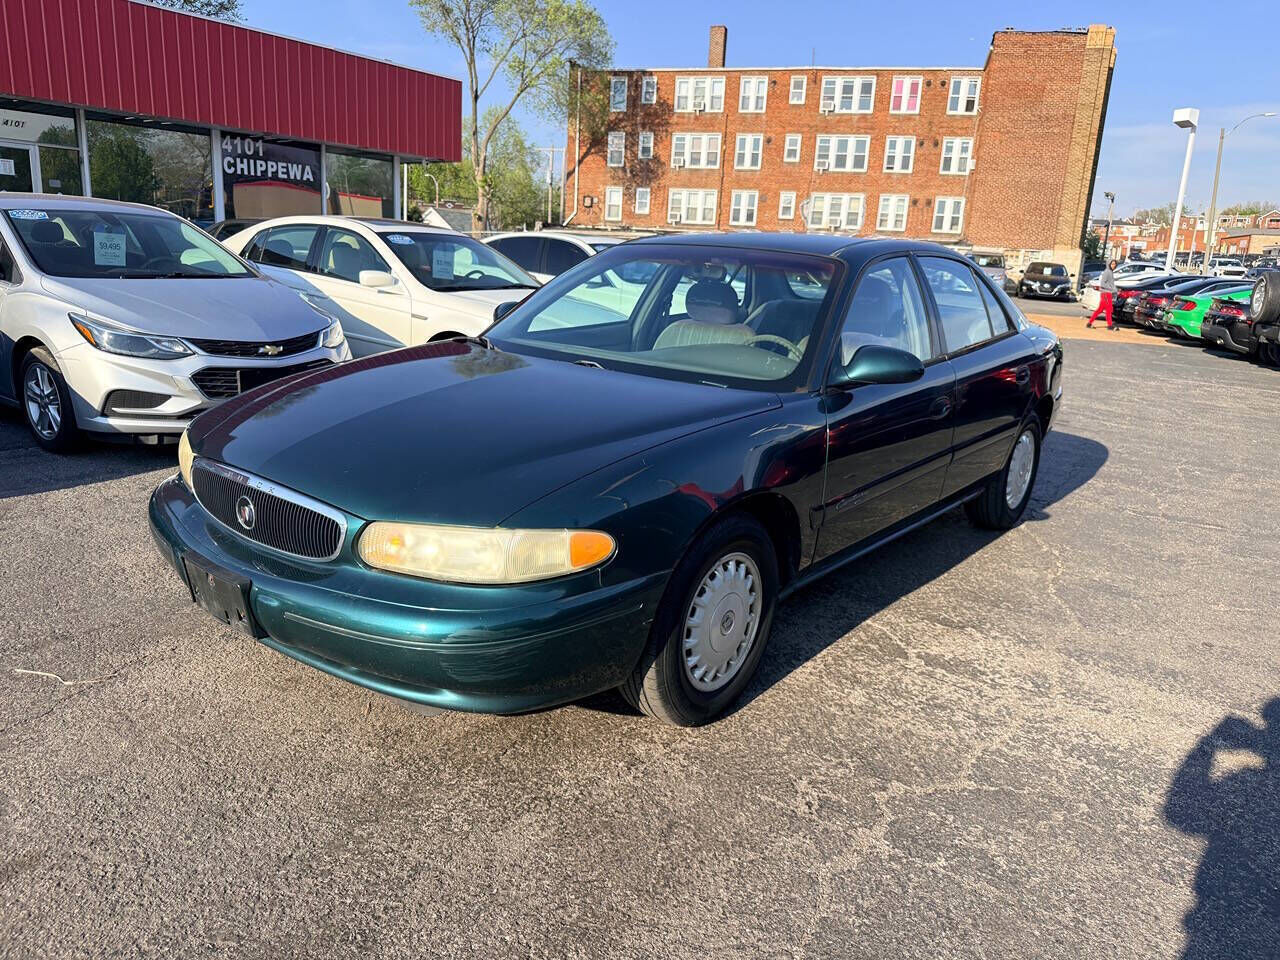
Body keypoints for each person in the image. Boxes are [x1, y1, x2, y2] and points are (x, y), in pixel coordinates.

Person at [1088, 259, 1118, 329]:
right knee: (1108, 310)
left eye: (1115, 264)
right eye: (1112, 264)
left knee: (1102, 310)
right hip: (1106, 293)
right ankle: (1110, 325)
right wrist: (1112, 289)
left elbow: (1110, 284)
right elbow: (1103, 284)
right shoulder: (1107, 272)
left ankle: (1090, 323)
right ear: (1109, 264)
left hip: (1107, 293)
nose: (1114, 265)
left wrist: (1114, 289)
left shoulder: (1110, 272)